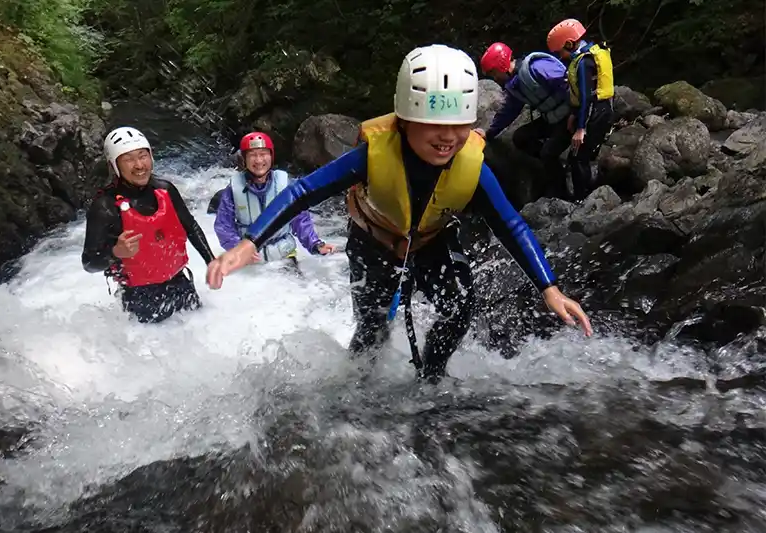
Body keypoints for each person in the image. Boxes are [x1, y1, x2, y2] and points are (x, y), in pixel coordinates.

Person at [206, 44, 593, 383]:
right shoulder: (374, 155)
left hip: (431, 241)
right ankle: (356, 385)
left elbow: (510, 224)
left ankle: (431, 374)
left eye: (459, 125)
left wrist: (549, 287)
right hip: (373, 243)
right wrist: (248, 242)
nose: (448, 138)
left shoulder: (473, 167)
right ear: (406, 120)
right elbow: (304, 191)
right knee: (372, 329)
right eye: (433, 125)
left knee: (458, 309)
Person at [82, 126, 216, 323]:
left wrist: (211, 261)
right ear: (115, 165)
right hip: (139, 297)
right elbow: (89, 263)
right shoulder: (105, 206)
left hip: (180, 284)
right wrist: (116, 252)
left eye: (143, 156)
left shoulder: (166, 189)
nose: (139, 165)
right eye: (128, 159)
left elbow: (191, 226)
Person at [213, 131, 334, 270]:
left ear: (271, 156)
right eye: (253, 155)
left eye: (263, 154)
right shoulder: (233, 189)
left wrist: (316, 244)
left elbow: (300, 220)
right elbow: (223, 226)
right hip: (249, 259)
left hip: (283, 255)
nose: (258, 161)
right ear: (244, 159)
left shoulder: (285, 184)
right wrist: (238, 249)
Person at [477, 42, 573, 200]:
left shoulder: (536, 67)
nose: (495, 77)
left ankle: (562, 193)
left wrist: (577, 115)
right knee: (521, 138)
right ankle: (553, 165)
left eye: (494, 72)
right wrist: (489, 133)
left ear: (502, 65)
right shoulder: (515, 84)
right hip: (552, 118)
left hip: (569, 116)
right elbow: (508, 112)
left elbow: (569, 84)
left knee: (548, 153)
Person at [547, 18, 615, 201]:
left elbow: (586, 96)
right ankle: (585, 195)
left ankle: (582, 200)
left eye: (560, 51)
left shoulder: (584, 63)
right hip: (599, 110)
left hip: (597, 112)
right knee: (579, 156)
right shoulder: (592, 53)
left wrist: (580, 129)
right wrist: (573, 115)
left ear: (569, 44)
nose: (560, 56)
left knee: (578, 158)